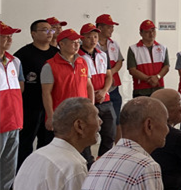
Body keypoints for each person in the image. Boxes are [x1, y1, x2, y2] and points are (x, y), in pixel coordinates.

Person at [41, 28, 94, 167]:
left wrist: (92, 108)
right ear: (62, 44)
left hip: (82, 116)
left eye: (78, 42)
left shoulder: (82, 62)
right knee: (61, 157)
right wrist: (51, 116)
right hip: (62, 118)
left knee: (85, 155)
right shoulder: (50, 66)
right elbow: (46, 93)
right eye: (73, 42)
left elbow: (89, 86)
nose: (77, 45)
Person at [15, 19, 58, 171]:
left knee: (47, 144)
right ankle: (22, 174)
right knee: (25, 144)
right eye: (45, 30)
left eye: (51, 30)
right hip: (29, 107)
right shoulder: (22, 55)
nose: (49, 33)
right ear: (33, 34)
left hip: (50, 107)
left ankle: (41, 173)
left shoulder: (56, 54)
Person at [78, 23, 116, 156]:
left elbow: (109, 76)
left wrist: (104, 91)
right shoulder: (77, 56)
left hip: (105, 100)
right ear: (82, 38)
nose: (93, 40)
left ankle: (103, 160)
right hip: (87, 102)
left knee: (110, 134)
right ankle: (88, 162)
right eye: (89, 37)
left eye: (95, 36)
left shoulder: (103, 55)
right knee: (87, 136)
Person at [0, 21, 24, 190]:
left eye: (11, 35)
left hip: (13, 122)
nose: (9, 39)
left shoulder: (14, 61)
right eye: (5, 35)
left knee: (8, 169)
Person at [127, 19, 169, 97]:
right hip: (140, 90)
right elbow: (132, 70)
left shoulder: (163, 48)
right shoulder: (133, 49)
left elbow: (166, 66)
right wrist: (149, 79)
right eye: (147, 32)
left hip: (159, 89)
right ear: (141, 33)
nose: (151, 34)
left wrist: (157, 77)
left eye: (153, 31)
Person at [95, 14, 124, 123]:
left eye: (112, 27)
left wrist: (111, 73)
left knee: (116, 120)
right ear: (100, 28)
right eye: (109, 27)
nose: (112, 29)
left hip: (113, 88)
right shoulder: (91, 44)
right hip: (98, 89)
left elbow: (119, 61)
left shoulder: (114, 44)